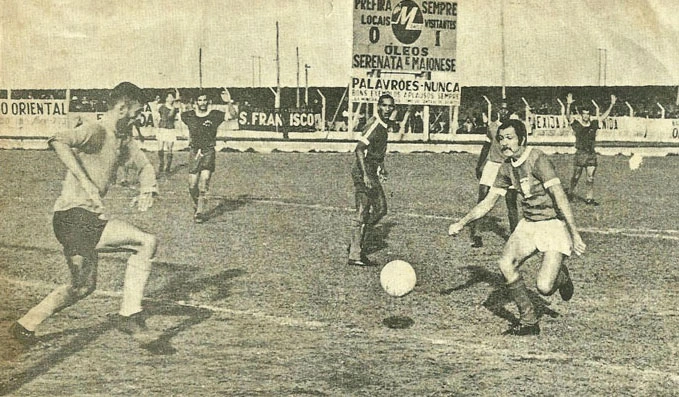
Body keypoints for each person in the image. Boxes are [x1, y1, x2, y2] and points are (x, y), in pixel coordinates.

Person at [9, 82, 159, 346]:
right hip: (73, 217)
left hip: (81, 220)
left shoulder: (123, 138)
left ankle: (26, 325)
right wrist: (86, 182)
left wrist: (148, 188)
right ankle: (129, 314)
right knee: (146, 242)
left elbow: (144, 165)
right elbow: (58, 140)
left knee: (83, 286)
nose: (139, 116)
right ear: (123, 108)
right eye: (137, 110)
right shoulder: (97, 131)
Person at [448, 119, 586, 336]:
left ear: (522, 139)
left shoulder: (538, 159)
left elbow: (560, 196)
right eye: (501, 139)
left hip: (551, 225)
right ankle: (529, 320)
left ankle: (561, 276)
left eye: (510, 138)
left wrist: (574, 234)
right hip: (528, 225)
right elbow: (488, 201)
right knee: (505, 263)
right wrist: (462, 222)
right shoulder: (505, 168)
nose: (504, 143)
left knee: (544, 288)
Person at [347, 94, 395, 266]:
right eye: (384, 105)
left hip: (371, 172)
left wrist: (381, 166)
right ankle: (355, 253)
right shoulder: (374, 123)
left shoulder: (384, 126)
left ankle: (357, 245)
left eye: (390, 106)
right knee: (363, 210)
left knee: (380, 209)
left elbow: (375, 151)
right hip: (363, 172)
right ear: (378, 106)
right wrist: (366, 175)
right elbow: (359, 149)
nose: (388, 109)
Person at [180, 88, 236, 223]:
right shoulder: (188, 116)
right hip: (194, 151)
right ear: (196, 102)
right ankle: (197, 204)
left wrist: (229, 102)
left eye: (205, 100)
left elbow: (233, 116)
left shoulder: (215, 115)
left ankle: (199, 212)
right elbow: (183, 113)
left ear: (208, 101)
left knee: (204, 181)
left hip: (208, 150)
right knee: (192, 185)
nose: (202, 102)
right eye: (200, 100)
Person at [470, 101, 519, 248]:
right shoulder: (492, 127)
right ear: (498, 111)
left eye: (506, 110)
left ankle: (514, 236)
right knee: (483, 198)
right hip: (492, 166)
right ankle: (477, 234)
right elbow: (486, 147)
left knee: (511, 202)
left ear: (510, 112)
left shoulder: (514, 128)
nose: (503, 112)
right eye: (501, 110)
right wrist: (480, 165)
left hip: (508, 167)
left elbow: (519, 149)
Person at [565, 93, 616, 205]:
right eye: (584, 114)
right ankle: (570, 192)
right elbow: (568, 116)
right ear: (581, 115)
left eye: (588, 114)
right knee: (576, 176)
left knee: (590, 178)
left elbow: (604, 117)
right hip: (580, 154)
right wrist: (568, 105)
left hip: (591, 154)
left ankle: (589, 198)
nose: (586, 116)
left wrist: (612, 105)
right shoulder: (577, 125)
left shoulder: (593, 124)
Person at [156, 89, 181, 175]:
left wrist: (176, 105)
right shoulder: (162, 107)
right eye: (169, 97)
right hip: (162, 128)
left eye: (172, 97)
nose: (171, 99)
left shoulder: (175, 108)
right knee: (160, 148)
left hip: (170, 129)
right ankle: (161, 164)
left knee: (169, 149)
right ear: (166, 98)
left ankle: (168, 167)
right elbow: (167, 117)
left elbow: (172, 117)